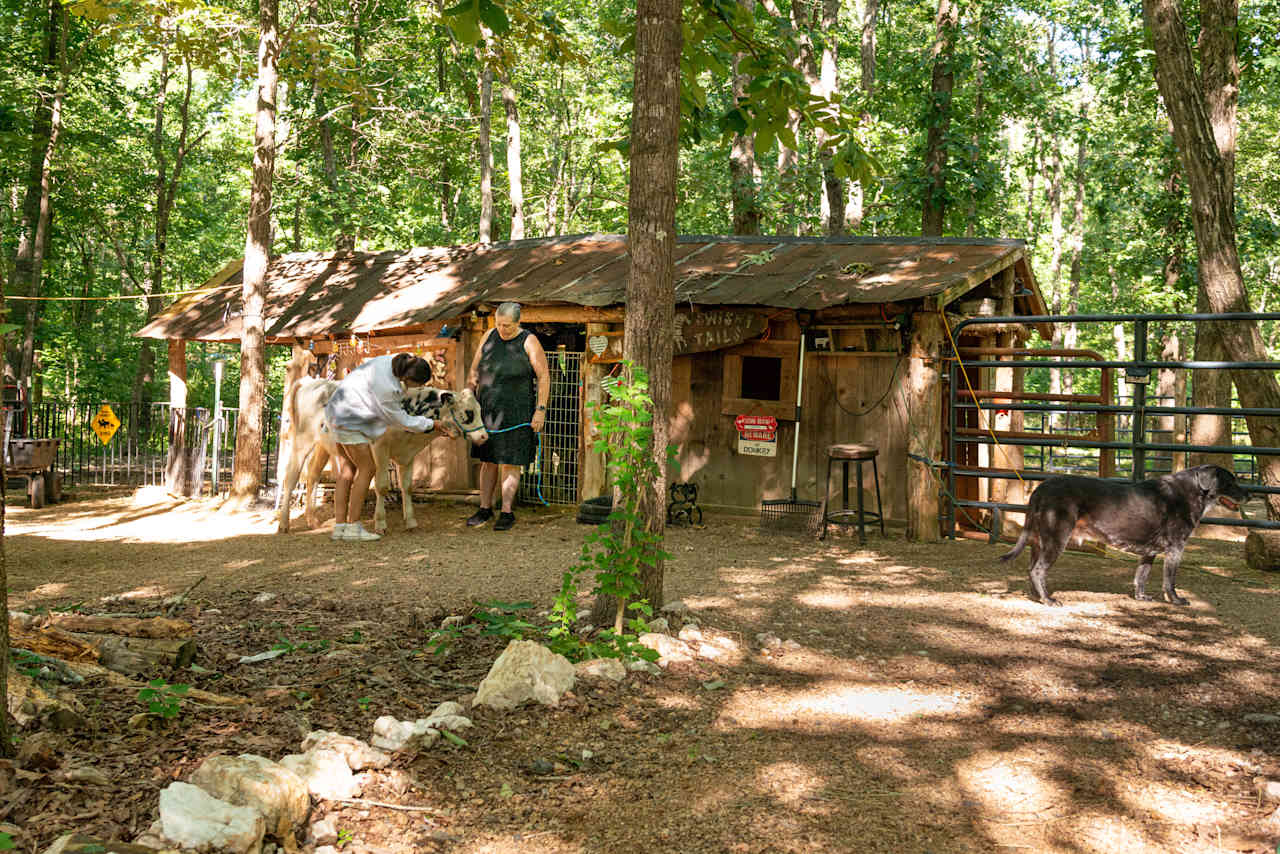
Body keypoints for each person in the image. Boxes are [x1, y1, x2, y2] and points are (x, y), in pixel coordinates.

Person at [323, 353, 437, 541]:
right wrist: (432, 424)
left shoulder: (389, 361)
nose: (420, 388)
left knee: (347, 470)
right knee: (368, 468)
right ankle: (353, 527)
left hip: (335, 412)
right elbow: (401, 420)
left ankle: (340, 527)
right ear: (408, 378)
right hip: (349, 419)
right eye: (419, 384)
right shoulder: (387, 387)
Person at [465, 302, 550, 531]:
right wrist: (469, 394)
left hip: (518, 411)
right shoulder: (488, 336)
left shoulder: (529, 341)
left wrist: (540, 410)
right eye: (500, 325)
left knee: (511, 463)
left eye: (508, 326)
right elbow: (474, 370)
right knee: (488, 461)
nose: (503, 330)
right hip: (488, 410)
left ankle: (507, 511)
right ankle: (484, 508)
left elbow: (543, 377)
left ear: (518, 323)